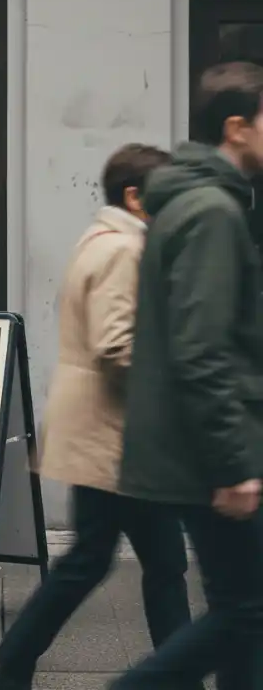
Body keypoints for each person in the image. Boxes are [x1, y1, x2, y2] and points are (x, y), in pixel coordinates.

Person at [0, 144, 195, 690]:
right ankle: (11, 665)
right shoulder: (124, 250)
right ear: (135, 197)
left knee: (136, 559)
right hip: (118, 437)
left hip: (106, 435)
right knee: (125, 561)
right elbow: (117, 346)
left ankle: (13, 665)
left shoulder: (99, 240)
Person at [110, 62, 263, 689]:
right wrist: (234, 463)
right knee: (244, 613)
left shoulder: (196, 202)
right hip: (209, 456)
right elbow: (201, 350)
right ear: (236, 127)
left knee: (244, 614)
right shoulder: (211, 212)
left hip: (193, 448)